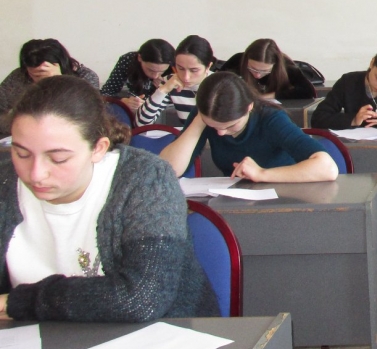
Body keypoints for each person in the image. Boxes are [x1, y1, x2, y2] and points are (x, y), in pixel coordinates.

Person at [0, 76, 218, 322]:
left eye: (58, 158)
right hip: (32, 338)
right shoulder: (4, 184)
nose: (36, 173)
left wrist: (20, 302)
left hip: (160, 334)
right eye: (22, 154)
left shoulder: (146, 180)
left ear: (98, 148)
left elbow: (142, 298)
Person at [160, 71, 338, 182]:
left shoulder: (271, 119)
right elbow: (168, 170)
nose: (220, 133)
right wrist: (199, 121)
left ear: (249, 107)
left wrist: (261, 174)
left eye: (231, 125)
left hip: (285, 196)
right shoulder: (205, 115)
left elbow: (327, 168)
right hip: (236, 200)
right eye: (212, 125)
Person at [0, 40, 100, 137]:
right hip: (18, 134)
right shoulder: (19, 76)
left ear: (60, 64)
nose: (37, 78)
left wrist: (58, 81)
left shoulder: (85, 77)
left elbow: (84, 119)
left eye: (41, 73)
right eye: (34, 74)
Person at [135, 35, 216, 127]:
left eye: (194, 70)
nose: (186, 77)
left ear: (208, 66)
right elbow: (141, 124)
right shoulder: (172, 81)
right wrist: (163, 90)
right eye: (180, 68)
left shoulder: (222, 84)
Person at [100, 39, 176, 118]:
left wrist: (165, 90)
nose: (155, 76)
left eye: (161, 71)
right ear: (140, 58)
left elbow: (180, 103)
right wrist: (122, 101)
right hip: (134, 107)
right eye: (150, 70)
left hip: (164, 112)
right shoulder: (128, 60)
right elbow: (106, 93)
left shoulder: (177, 68)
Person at [220, 38, 316, 101]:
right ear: (246, 60)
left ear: (275, 65)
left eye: (265, 71)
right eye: (253, 68)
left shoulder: (287, 68)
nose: (258, 75)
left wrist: (267, 96)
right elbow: (217, 83)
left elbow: (308, 92)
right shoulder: (237, 60)